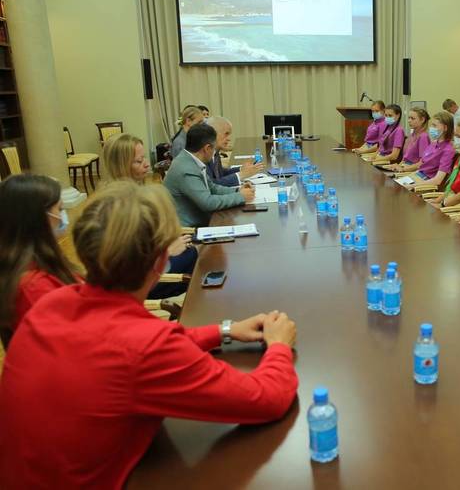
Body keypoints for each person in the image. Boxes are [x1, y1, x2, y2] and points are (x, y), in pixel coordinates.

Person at [0, 181, 299, 489]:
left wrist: (223, 330)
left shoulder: (52, 303)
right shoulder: (143, 345)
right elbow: (266, 399)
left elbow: (138, 345)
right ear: (160, 260)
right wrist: (278, 346)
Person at [102, 133, 197, 299]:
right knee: (196, 257)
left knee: (198, 252)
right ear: (121, 166)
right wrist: (166, 252)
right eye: (138, 161)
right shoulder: (116, 204)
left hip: (152, 262)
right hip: (139, 282)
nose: (147, 164)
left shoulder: (134, 192)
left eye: (144, 158)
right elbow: (125, 261)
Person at [0, 175, 79, 347]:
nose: (63, 217)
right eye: (60, 209)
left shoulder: (40, 260)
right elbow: (68, 343)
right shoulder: (33, 288)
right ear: (38, 218)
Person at [163, 123, 255, 227]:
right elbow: (208, 203)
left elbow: (212, 187)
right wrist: (240, 197)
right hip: (189, 230)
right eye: (213, 148)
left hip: (202, 221)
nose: (214, 153)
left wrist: (237, 190)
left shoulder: (190, 160)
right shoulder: (186, 169)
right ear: (207, 148)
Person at [400, 111, 456, 189]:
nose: (431, 128)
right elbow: (421, 165)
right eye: (431, 125)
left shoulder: (448, 150)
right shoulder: (433, 143)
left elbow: (437, 180)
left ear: (445, 128)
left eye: (434, 126)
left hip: (425, 182)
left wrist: (411, 186)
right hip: (416, 175)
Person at [205, 116, 265, 187]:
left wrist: (241, 169)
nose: (229, 139)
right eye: (226, 134)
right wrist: (241, 175)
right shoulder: (204, 155)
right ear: (212, 133)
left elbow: (221, 173)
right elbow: (213, 185)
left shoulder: (215, 151)